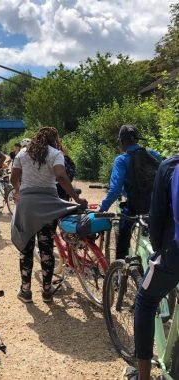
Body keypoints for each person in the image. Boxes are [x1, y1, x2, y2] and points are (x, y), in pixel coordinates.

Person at [11, 127, 87, 303]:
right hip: (49, 206)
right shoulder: (55, 153)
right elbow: (61, 176)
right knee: (46, 248)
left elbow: (13, 177)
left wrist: (17, 191)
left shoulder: (23, 153)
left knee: (26, 248)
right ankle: (47, 291)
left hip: (27, 206)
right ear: (54, 140)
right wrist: (76, 198)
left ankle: (26, 291)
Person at [123, 155, 179, 380]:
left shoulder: (170, 166)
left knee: (144, 301)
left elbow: (156, 217)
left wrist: (159, 250)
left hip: (174, 255)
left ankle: (143, 377)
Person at [99, 124, 161, 260]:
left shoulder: (121, 160)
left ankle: (118, 274)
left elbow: (115, 190)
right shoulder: (154, 155)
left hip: (134, 207)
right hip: (157, 205)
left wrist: (102, 209)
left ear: (121, 142)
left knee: (123, 239)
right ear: (137, 140)